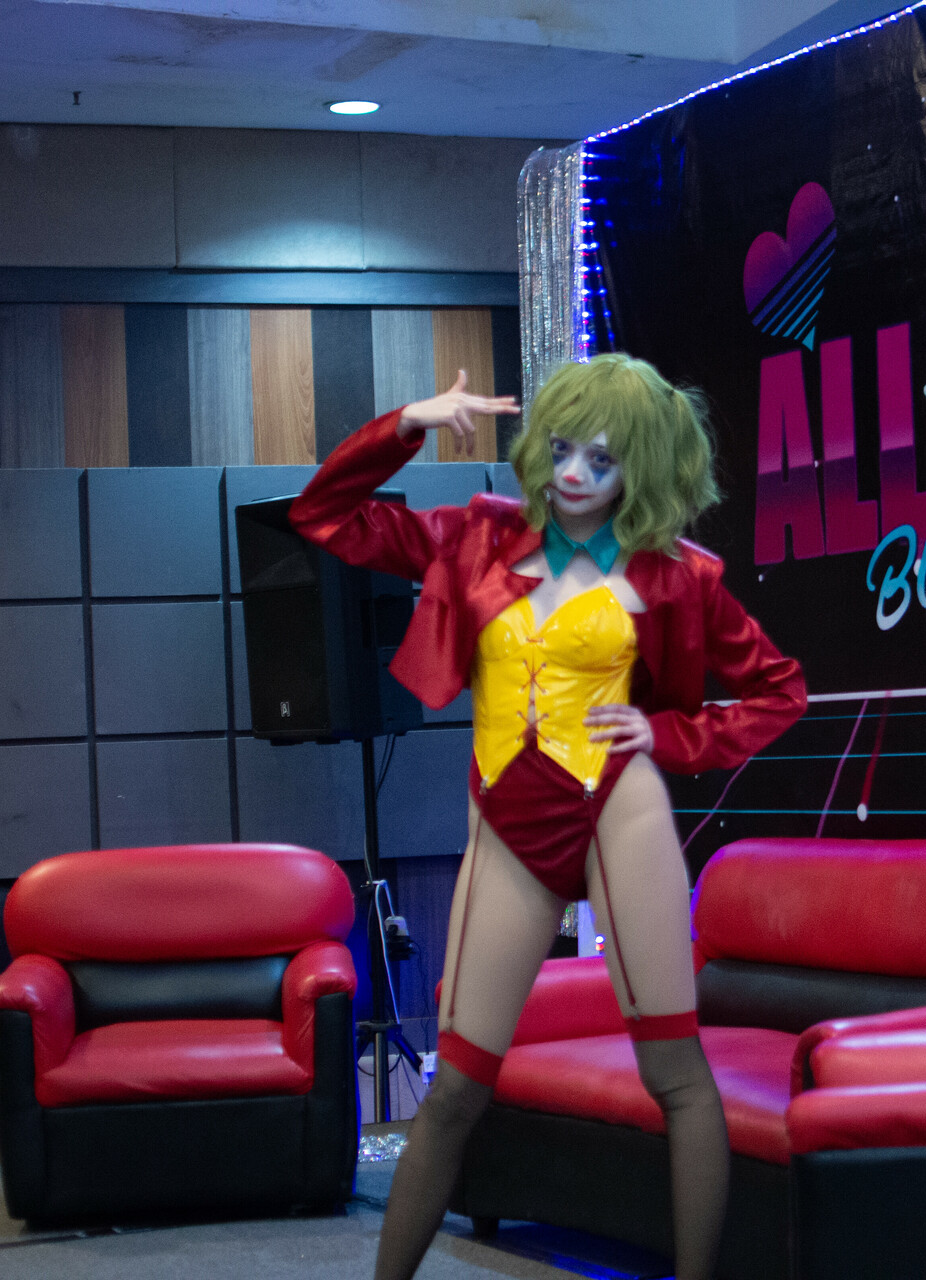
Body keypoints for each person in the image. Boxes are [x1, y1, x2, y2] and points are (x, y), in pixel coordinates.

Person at [289, 354, 806, 1280]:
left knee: (676, 1076)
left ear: (641, 469)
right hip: (509, 822)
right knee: (454, 1087)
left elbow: (780, 689)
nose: (572, 475)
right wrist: (409, 422)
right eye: (563, 449)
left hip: (619, 813)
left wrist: (670, 733)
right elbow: (323, 515)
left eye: (601, 461)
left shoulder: (674, 577)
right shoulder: (475, 540)